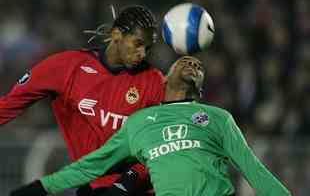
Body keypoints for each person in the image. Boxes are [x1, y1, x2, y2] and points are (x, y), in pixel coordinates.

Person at [10, 56, 291, 196]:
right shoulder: (140, 124)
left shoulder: (218, 117)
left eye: (199, 66)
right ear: (164, 80)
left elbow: (254, 170)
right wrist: (42, 187)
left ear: (201, 90)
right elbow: (91, 166)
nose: (194, 62)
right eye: (185, 60)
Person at [0, 5, 165, 196]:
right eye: (137, 44)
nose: (143, 53)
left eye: (148, 48)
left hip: (140, 188)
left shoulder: (154, 81)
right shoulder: (66, 67)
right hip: (92, 188)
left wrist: (127, 181)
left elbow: (161, 146)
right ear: (117, 34)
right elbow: (7, 106)